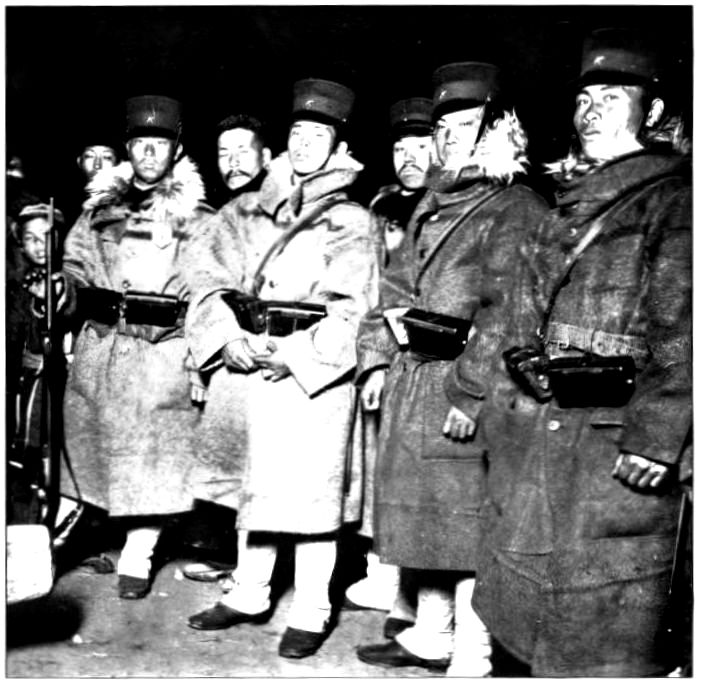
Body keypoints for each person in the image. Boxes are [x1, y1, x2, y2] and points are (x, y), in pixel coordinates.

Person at [471, 29, 692, 676]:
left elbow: (684, 328)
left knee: (602, 626)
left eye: (613, 96)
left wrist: (655, 440)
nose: (591, 111)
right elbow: (518, 315)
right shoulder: (564, 203)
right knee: (528, 614)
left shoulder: (674, 200)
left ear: (652, 111)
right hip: (541, 427)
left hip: (612, 439)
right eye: (584, 98)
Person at [354, 62, 548, 674]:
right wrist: (376, 361)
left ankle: (473, 652)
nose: (447, 139)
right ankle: (432, 634)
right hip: (415, 378)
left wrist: (471, 394)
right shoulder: (434, 201)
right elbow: (393, 289)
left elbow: (511, 315)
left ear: (497, 132)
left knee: (465, 530)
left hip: (462, 382)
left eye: (463, 126)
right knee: (427, 521)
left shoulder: (513, 206)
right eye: (441, 128)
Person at [184, 77, 379, 659]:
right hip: (246, 359)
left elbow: (356, 307)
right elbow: (203, 277)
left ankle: (313, 608)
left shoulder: (352, 219)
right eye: (297, 132)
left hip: (313, 371)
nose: (304, 144)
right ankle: (249, 593)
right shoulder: (244, 210)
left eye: (318, 135)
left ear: (338, 146)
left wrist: (293, 355)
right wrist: (226, 336)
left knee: (312, 499)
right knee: (256, 486)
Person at [57, 94, 213, 599]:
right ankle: (66, 543)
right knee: (88, 453)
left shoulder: (198, 217)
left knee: (154, 463)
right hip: (103, 347)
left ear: (177, 149)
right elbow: (76, 266)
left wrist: (196, 360)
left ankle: (138, 554)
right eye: (140, 142)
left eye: (159, 143)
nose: (149, 151)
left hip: (160, 353)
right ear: (127, 147)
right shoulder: (98, 211)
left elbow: (207, 290)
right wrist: (63, 288)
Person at [344, 97, 432, 618]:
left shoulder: (451, 208)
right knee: (378, 463)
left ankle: (417, 589)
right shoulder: (380, 208)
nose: (410, 157)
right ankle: (382, 573)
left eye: (422, 145)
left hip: (430, 354)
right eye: (401, 148)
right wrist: (373, 357)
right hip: (384, 346)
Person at [180, 113, 273, 583]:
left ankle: (264, 569)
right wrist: (216, 342)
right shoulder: (216, 216)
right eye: (224, 152)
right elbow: (201, 284)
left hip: (276, 347)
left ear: (267, 156)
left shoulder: (287, 209)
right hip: (231, 349)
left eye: (243, 150)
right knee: (228, 454)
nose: (233, 161)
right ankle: (231, 556)